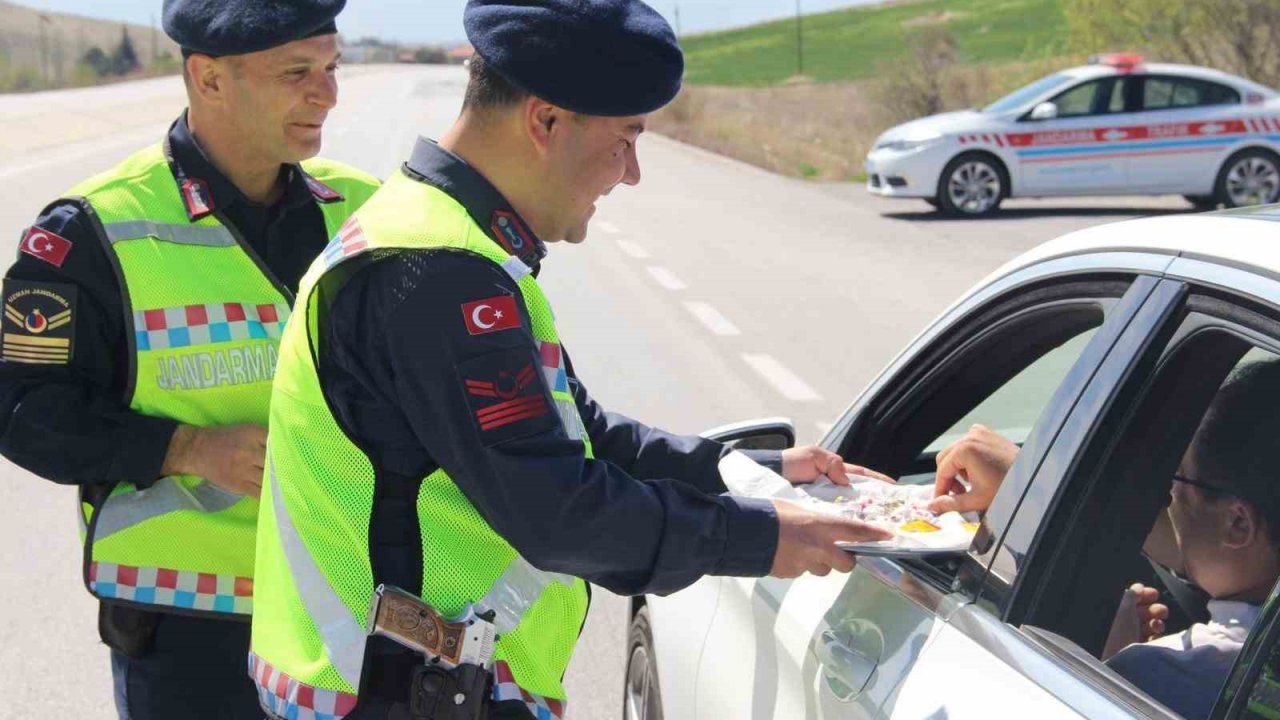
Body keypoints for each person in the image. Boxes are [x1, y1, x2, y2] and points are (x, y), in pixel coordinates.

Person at [247, 1, 890, 718]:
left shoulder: (445, 237)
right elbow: (560, 512)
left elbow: (580, 436)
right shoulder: (439, 273)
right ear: (545, 121)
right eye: (626, 138)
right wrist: (764, 537)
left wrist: (747, 472)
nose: (632, 173)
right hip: (395, 696)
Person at [0, 1, 380, 717]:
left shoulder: (366, 213)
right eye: (297, 72)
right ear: (208, 78)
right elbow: (22, 411)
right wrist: (185, 447)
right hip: (189, 636)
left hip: (354, 615)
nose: (327, 93)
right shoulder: (91, 231)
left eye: (332, 67)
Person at [929, 360, 1280, 720]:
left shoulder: (1162, 678)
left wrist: (1103, 669)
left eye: (1181, 479)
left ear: (1238, 523)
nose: (1168, 495)